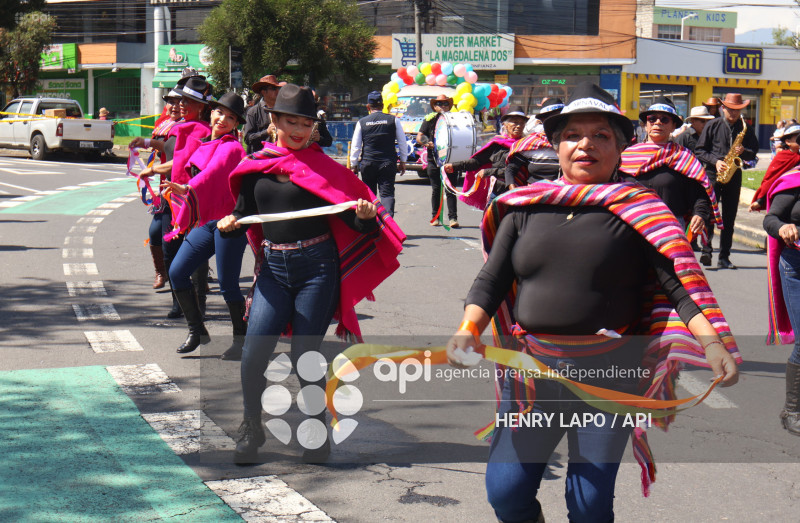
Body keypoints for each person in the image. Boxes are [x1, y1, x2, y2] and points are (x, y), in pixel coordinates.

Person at [446, 82, 740, 523]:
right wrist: (468, 328)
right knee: (506, 493)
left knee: (588, 505)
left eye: (601, 135)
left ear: (622, 146)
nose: (585, 145)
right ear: (556, 144)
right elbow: (491, 280)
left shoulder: (642, 210)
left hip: (608, 377)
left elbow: (679, 287)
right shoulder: (524, 206)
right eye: (572, 135)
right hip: (532, 375)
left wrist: (714, 345)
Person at [216, 84, 405, 463]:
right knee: (254, 352)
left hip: (317, 268)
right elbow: (243, 213)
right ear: (274, 121)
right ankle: (251, 428)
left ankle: (316, 430)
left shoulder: (326, 169)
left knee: (306, 355)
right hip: (273, 268)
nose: (300, 130)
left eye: (306, 123)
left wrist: (366, 218)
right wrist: (230, 223)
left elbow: (355, 220)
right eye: (292, 121)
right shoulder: (255, 167)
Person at [160, 92, 249, 359]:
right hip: (208, 221)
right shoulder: (201, 145)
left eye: (231, 117)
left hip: (230, 222)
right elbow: (182, 166)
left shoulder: (233, 147)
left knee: (228, 285)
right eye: (220, 113)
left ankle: (241, 341)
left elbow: (213, 174)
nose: (223, 119)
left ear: (236, 124)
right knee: (176, 272)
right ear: (211, 113)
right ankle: (197, 331)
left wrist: (187, 187)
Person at [133, 76, 213, 318]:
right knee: (169, 246)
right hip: (170, 197)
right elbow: (168, 150)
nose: (182, 105)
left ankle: (198, 304)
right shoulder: (176, 127)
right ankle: (179, 301)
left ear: (202, 107)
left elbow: (185, 164)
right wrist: (147, 143)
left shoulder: (205, 131)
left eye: (188, 101)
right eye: (180, 101)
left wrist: (154, 169)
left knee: (195, 251)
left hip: (194, 199)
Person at [619, 97, 720, 262]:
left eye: (664, 119)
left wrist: (699, 214)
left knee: (669, 277)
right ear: (645, 124)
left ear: (673, 126)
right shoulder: (627, 156)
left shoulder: (684, 157)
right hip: (633, 225)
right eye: (652, 119)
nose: (658, 122)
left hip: (671, 226)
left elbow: (699, 192)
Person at [694, 93, 759, 269]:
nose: (734, 113)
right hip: (714, 174)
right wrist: (716, 161)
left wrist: (744, 151)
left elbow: (754, 151)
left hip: (734, 175)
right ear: (723, 108)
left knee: (729, 217)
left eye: (737, 110)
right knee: (708, 214)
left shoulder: (745, 127)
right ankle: (707, 252)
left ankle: (724, 257)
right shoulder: (712, 125)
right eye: (730, 109)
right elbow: (700, 150)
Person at [763, 169, 800, 436]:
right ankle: (792, 410)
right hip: (796, 266)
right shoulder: (794, 181)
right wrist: (783, 227)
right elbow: (771, 219)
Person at [135, 89, 183, 290]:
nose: (173, 106)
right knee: (155, 233)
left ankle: (193, 280)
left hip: (183, 189)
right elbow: (163, 147)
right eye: (170, 102)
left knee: (180, 236)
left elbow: (175, 153)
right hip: (165, 186)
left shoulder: (191, 126)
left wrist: (149, 147)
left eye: (178, 102)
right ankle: (161, 272)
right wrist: (146, 144)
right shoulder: (165, 122)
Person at [443, 106, 527, 210]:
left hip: (520, 193)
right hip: (497, 191)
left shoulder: (526, 146)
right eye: (514, 122)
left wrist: (488, 172)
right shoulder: (497, 143)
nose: (518, 126)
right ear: (505, 124)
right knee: (489, 223)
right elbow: (477, 161)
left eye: (521, 123)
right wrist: (454, 166)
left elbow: (514, 170)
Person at [349, 91, 408, 217]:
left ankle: (372, 225)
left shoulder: (362, 122)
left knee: (369, 195)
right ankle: (388, 226)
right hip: (387, 163)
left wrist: (354, 164)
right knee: (387, 194)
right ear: (382, 105)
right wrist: (403, 161)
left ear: (368, 107)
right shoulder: (393, 120)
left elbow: (356, 146)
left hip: (368, 163)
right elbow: (403, 142)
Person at [417, 94, 459, 227]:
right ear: (434, 106)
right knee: (436, 190)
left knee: (450, 189)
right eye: (439, 104)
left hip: (450, 159)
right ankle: (435, 217)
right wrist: (426, 142)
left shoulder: (455, 119)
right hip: (433, 159)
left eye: (445, 103)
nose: (442, 106)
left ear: (449, 105)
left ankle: (453, 218)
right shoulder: (430, 119)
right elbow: (420, 136)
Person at [504, 98, 563, 188]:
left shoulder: (573, 144)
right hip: (534, 196)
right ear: (543, 121)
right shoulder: (531, 143)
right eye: (549, 119)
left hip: (563, 196)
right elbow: (511, 169)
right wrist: (513, 191)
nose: (554, 123)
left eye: (559, 118)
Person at [752, 124, 800, 211]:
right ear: (788, 142)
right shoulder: (782, 156)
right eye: (797, 138)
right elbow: (770, 178)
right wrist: (760, 200)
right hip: (784, 194)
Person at [243, 74, 285, 154]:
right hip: (260, 159)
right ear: (263, 92)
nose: (277, 91)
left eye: (278, 88)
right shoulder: (253, 112)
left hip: (279, 156)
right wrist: (266, 132)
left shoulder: (284, 110)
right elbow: (248, 138)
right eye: (273, 88)